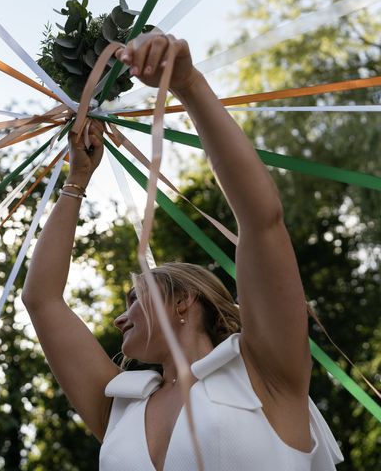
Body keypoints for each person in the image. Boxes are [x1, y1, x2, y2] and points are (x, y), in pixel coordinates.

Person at [21, 34, 343, 470]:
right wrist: (76, 178)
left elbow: (261, 219)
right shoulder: (119, 409)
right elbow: (41, 300)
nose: (119, 318)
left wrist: (187, 83)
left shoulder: (264, 371)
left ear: (182, 299)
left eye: (135, 298)